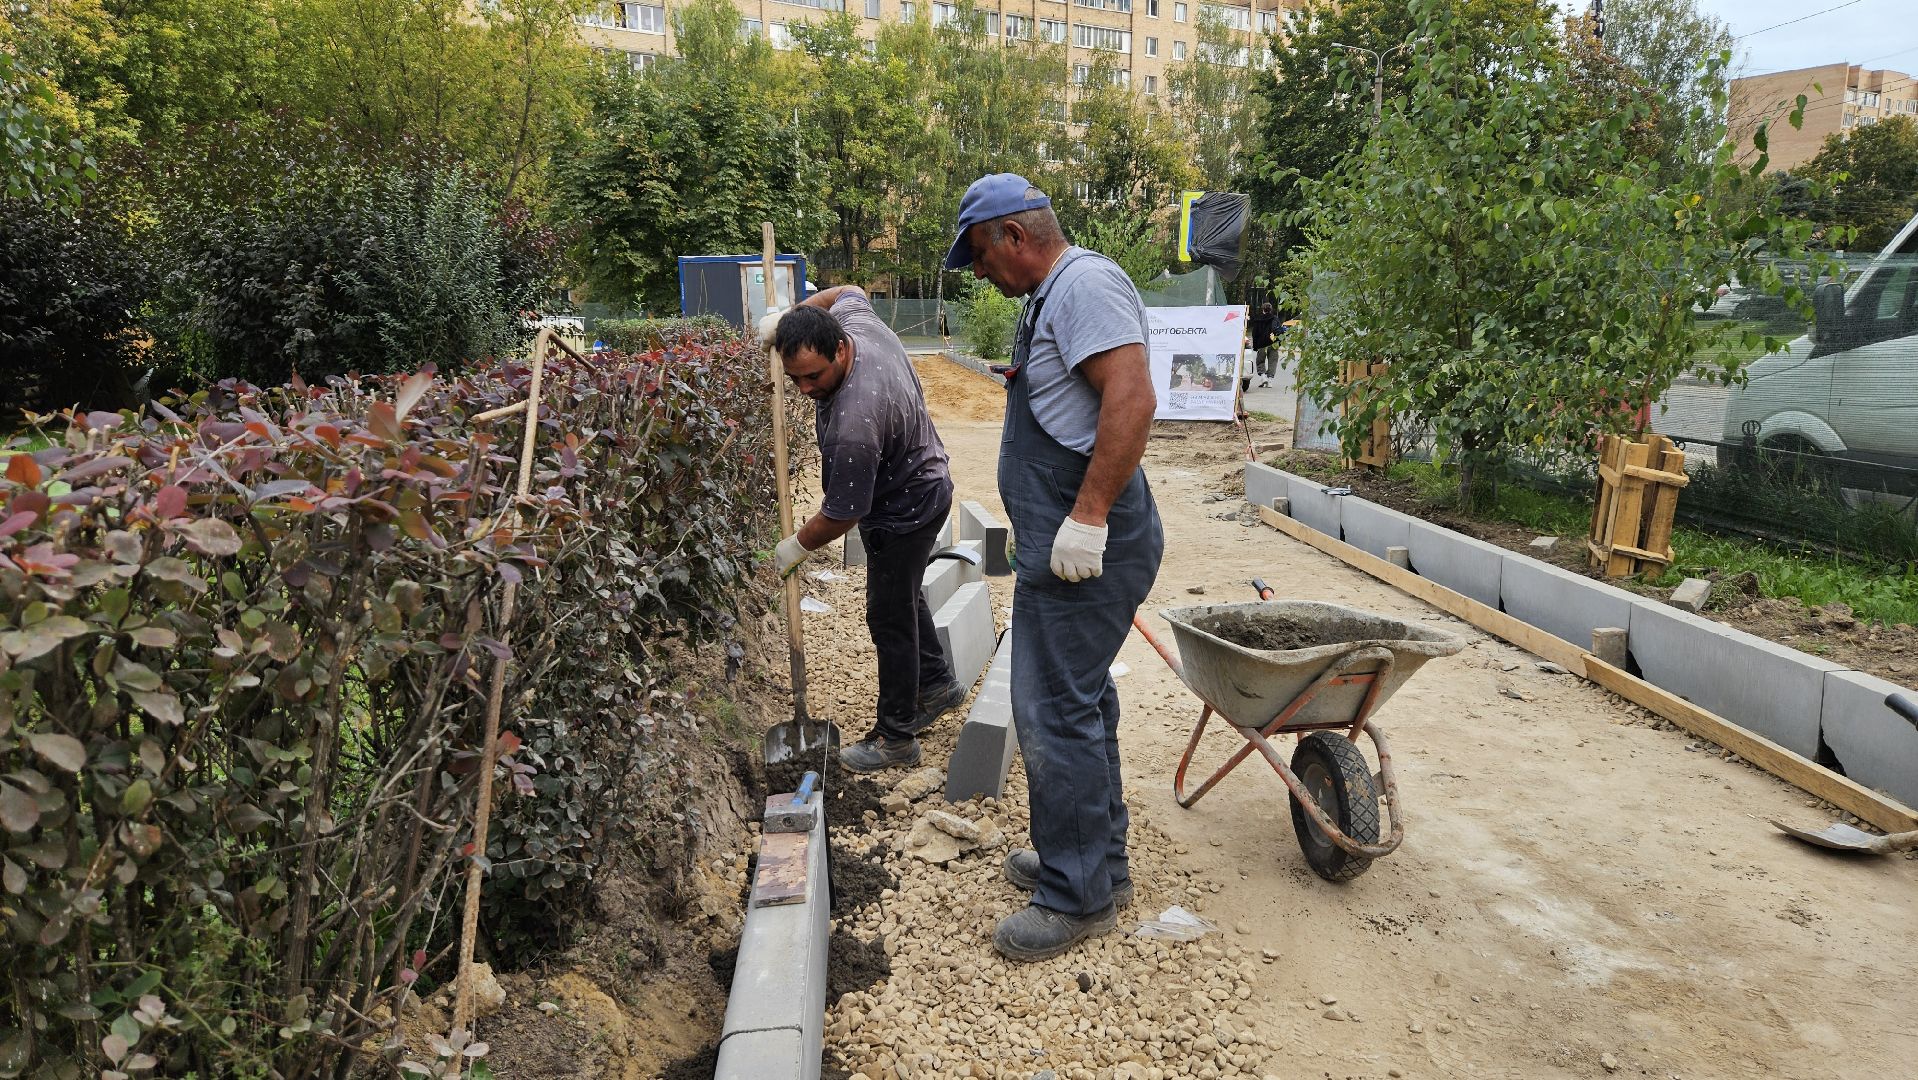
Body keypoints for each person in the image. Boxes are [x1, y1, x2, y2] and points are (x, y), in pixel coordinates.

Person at [943, 173, 1164, 961]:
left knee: (1051, 711)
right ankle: (1095, 860)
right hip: (1059, 550)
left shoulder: (1085, 286)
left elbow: (1133, 400)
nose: (978, 274)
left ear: (1013, 236)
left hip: (1084, 547)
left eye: (977, 256)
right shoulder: (1051, 295)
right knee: (1077, 698)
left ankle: (1076, 898)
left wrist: (1089, 517)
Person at [762, 288, 969, 772]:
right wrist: (787, 317)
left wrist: (797, 545)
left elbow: (843, 512)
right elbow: (848, 291)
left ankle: (897, 736)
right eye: (794, 380)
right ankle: (936, 683)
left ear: (840, 350)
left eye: (814, 376)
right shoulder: (859, 323)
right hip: (925, 484)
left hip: (905, 509)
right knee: (903, 594)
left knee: (887, 617)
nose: (806, 389)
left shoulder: (854, 420)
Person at [1250, 302, 1278, 387]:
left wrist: (1255, 346)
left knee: (1260, 361)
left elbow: (1255, 334)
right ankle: (1270, 380)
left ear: (1263, 310)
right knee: (1273, 361)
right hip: (1273, 343)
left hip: (1261, 344)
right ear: (1271, 309)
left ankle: (1263, 377)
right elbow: (1279, 331)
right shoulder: (1275, 319)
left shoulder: (1258, 320)